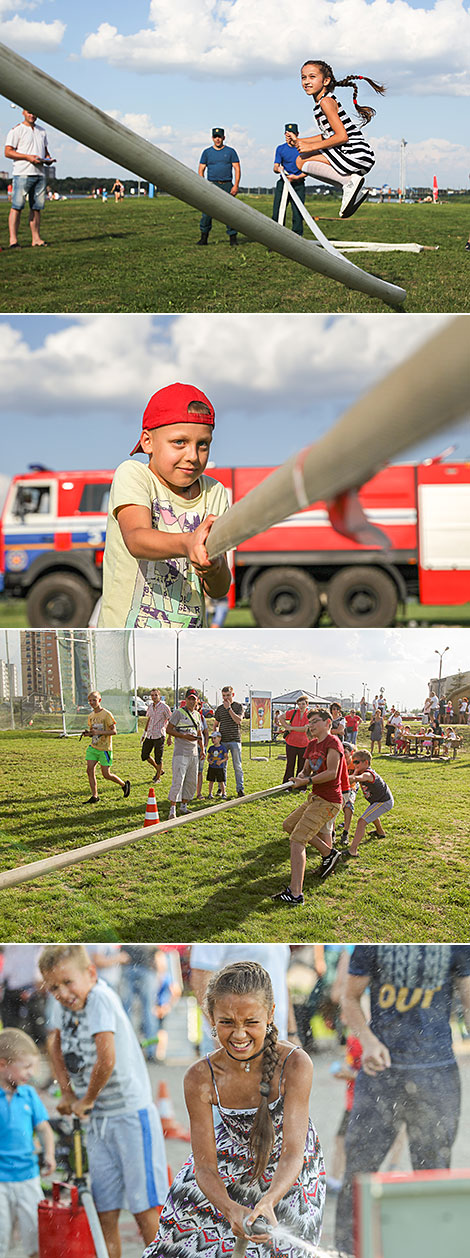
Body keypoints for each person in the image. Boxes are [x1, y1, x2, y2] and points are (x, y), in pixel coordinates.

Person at [142, 960, 326, 1258]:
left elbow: (294, 1152)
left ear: (270, 1015)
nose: (239, 1035)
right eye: (227, 1022)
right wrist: (229, 1209)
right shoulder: (200, 1076)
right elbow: (204, 1166)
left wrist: (268, 1201)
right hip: (229, 1162)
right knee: (180, 1241)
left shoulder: (295, 1063)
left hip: (290, 1172)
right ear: (210, 1018)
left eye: (251, 1022)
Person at [335, 945, 470, 1256]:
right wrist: (367, 1041)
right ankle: (344, 1251)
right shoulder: (373, 940)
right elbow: (350, 998)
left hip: (438, 1075)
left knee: (434, 1177)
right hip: (382, 1074)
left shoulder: (458, 941)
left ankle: (432, 1251)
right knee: (359, 1173)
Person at [40, 945, 168, 1258]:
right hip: (97, 1119)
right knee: (104, 1209)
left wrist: (86, 1099)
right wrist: (68, 1093)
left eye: (68, 983)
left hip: (129, 1115)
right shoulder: (62, 1004)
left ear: (91, 974)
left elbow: (106, 1059)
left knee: (145, 1207)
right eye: (54, 986)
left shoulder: (99, 998)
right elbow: (53, 1044)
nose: (62, 992)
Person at [98, 383, 231, 629]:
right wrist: (188, 543)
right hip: (126, 644)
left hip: (187, 646)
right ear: (148, 442)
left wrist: (213, 567)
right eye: (179, 442)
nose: (193, 455)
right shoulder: (134, 475)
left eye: (203, 444)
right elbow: (136, 539)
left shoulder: (215, 492)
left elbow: (219, 589)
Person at [273, 709, 345, 907]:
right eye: (309, 722)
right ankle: (328, 853)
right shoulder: (312, 744)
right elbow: (306, 769)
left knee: (297, 840)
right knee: (289, 825)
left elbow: (332, 773)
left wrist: (308, 780)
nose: (310, 726)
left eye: (315, 722)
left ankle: (295, 894)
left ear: (328, 723)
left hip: (329, 800)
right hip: (315, 797)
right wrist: (299, 778)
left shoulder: (333, 743)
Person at [294, 61, 384, 218]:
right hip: (357, 154)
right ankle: (350, 186)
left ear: (326, 81)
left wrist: (310, 147)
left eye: (312, 77)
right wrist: (301, 141)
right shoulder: (323, 102)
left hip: (354, 153)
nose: (307, 81)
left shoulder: (326, 102)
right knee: (301, 160)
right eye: (303, 77)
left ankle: (349, 183)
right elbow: (328, 135)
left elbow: (342, 136)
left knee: (301, 161)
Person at [0, 1027, 55, 1258]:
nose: (31, 1073)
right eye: (26, 1067)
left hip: (28, 1177)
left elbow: (45, 1129)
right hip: (0, 1180)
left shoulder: (29, 1095)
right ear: (3, 1064)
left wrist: (49, 1155)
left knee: (36, 1237)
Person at [5, 109, 54, 248]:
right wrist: (27, 157)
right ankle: (13, 241)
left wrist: (48, 159)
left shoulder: (42, 131)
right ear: (23, 113)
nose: (32, 115)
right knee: (17, 207)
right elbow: (8, 152)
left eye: (34, 112)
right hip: (22, 173)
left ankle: (36, 239)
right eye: (29, 112)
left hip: (40, 174)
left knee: (36, 208)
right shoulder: (16, 130)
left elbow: (45, 151)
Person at [82, 690, 130, 804]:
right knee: (89, 770)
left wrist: (99, 732)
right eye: (90, 700)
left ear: (99, 700)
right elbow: (94, 732)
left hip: (105, 749)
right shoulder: (91, 715)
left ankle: (124, 784)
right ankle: (95, 796)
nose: (92, 702)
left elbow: (114, 732)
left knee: (106, 774)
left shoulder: (106, 714)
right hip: (93, 747)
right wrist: (88, 734)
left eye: (94, 700)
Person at [345, 749, 394, 858]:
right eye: (353, 762)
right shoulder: (362, 771)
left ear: (366, 762)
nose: (354, 764)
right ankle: (380, 832)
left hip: (383, 801)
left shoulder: (367, 774)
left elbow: (359, 779)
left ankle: (353, 850)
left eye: (357, 762)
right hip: (379, 800)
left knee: (362, 821)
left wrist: (353, 776)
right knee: (371, 813)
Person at [197, 128, 241, 247]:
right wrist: (203, 184)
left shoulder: (231, 152)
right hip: (212, 185)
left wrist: (236, 185)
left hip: (227, 185)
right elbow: (201, 169)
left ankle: (233, 238)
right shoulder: (207, 152)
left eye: (219, 137)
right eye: (215, 137)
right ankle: (204, 238)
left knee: (230, 213)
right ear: (212, 138)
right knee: (207, 213)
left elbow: (237, 168)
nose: (217, 139)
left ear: (223, 138)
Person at [167, 688, 204, 819]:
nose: (192, 701)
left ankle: (184, 806)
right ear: (185, 700)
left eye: (194, 698)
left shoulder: (198, 715)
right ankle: (172, 809)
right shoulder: (178, 713)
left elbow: (199, 733)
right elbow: (169, 729)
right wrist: (183, 736)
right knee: (178, 780)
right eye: (190, 698)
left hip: (193, 753)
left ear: (197, 701)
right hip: (181, 752)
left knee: (191, 781)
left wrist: (202, 749)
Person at [272, 124, 306, 235]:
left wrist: (297, 177)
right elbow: (275, 167)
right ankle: (275, 237)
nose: (289, 137)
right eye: (287, 134)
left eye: (292, 134)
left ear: (297, 135)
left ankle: (297, 238)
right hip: (284, 183)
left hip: (298, 184)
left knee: (298, 212)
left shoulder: (303, 149)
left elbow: (308, 170)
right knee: (278, 211)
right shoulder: (280, 149)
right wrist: (279, 169)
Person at [213, 686, 245, 796]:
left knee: (237, 766)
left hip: (235, 740)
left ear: (233, 695)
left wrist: (229, 709)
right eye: (224, 696)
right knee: (221, 766)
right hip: (223, 741)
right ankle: (221, 788)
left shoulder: (238, 706)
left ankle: (240, 789)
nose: (226, 698)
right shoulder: (219, 709)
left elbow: (238, 721)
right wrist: (215, 735)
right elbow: (216, 724)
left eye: (228, 695)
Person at [141, 689, 172, 782]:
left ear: (159, 696)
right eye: (152, 695)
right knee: (144, 755)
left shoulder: (164, 707)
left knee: (158, 757)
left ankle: (158, 777)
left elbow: (171, 721)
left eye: (155, 695)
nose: (154, 697)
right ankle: (159, 770)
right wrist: (144, 733)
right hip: (150, 734)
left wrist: (170, 737)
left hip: (159, 734)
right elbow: (149, 720)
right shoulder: (150, 706)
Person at [279, 695, 310, 783]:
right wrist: (286, 726)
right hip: (291, 743)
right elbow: (281, 717)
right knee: (290, 765)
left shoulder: (309, 715)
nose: (301, 706)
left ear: (307, 704)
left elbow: (305, 729)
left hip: (304, 744)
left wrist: (291, 728)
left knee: (302, 766)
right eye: (299, 704)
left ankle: (300, 785)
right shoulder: (293, 712)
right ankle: (287, 784)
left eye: (303, 704)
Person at [206, 731, 228, 799]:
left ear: (219, 738)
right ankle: (210, 794)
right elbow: (208, 757)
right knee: (211, 781)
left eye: (214, 738)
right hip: (212, 767)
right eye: (212, 738)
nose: (213, 740)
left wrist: (221, 761)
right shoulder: (211, 748)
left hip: (219, 767)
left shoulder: (223, 748)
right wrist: (209, 761)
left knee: (221, 781)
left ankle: (224, 794)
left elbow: (226, 758)